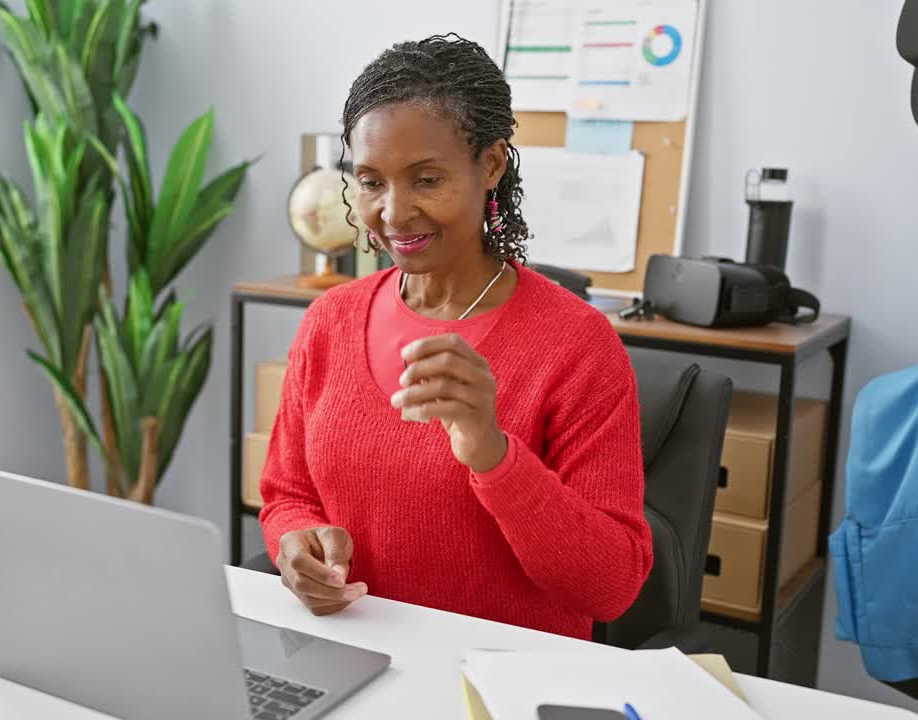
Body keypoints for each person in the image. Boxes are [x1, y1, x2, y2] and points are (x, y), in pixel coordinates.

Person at [258, 34, 652, 641]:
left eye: (425, 180)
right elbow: (287, 492)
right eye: (370, 181)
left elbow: (611, 588)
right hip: (356, 657)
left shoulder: (578, 346)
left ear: (490, 165)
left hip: (502, 682)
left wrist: (492, 452)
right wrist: (295, 543)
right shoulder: (329, 321)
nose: (392, 213)